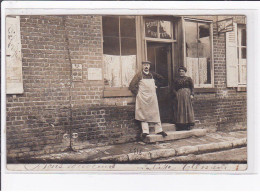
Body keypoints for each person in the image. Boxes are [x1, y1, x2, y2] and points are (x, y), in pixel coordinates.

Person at [129, 61, 168, 139]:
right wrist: (138, 93)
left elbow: (163, 80)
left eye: (147, 65)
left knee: (155, 112)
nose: (146, 66)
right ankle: (145, 131)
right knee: (144, 113)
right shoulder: (139, 75)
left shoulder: (152, 74)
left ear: (149, 66)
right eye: (144, 65)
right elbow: (132, 85)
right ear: (142, 66)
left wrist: (157, 85)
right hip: (142, 98)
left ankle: (159, 130)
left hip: (152, 97)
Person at [172, 66, 195, 131]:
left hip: (187, 95)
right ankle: (181, 125)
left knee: (187, 109)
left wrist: (192, 94)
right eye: (180, 71)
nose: (181, 73)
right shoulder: (176, 79)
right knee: (180, 109)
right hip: (179, 96)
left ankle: (188, 125)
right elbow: (173, 88)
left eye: (183, 71)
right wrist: (176, 94)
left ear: (185, 72)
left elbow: (192, 87)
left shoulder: (188, 79)